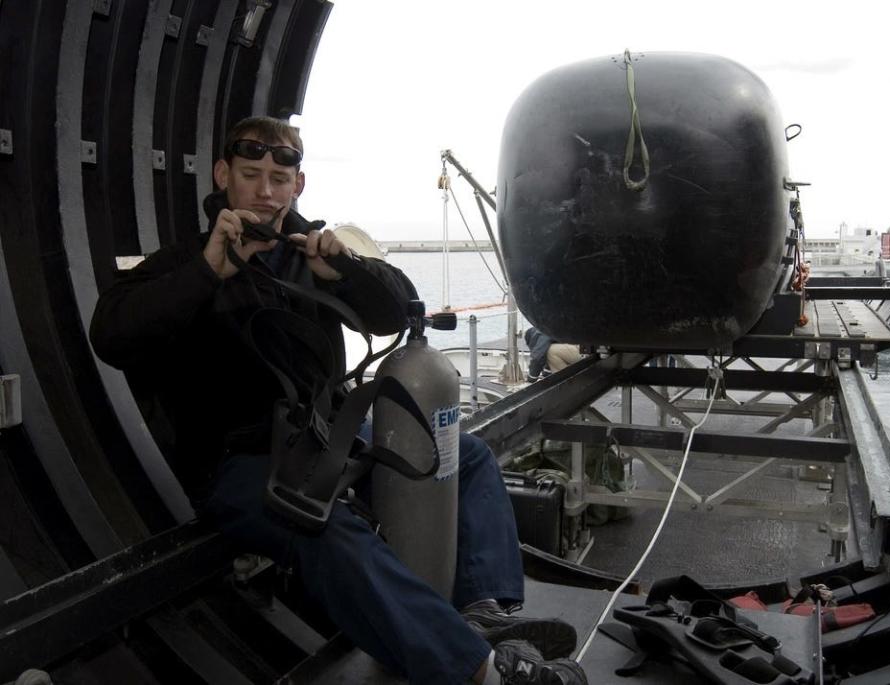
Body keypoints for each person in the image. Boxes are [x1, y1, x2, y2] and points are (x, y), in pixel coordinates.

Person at [89, 116, 587, 684]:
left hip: (330, 440)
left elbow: (399, 307)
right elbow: (112, 334)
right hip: (243, 464)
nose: (265, 190)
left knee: (463, 457)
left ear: (298, 186)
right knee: (321, 527)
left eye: (280, 178)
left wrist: (346, 273)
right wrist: (210, 271)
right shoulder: (184, 264)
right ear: (224, 175)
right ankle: (485, 674)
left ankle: (484, 614)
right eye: (250, 174)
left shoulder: (314, 253)